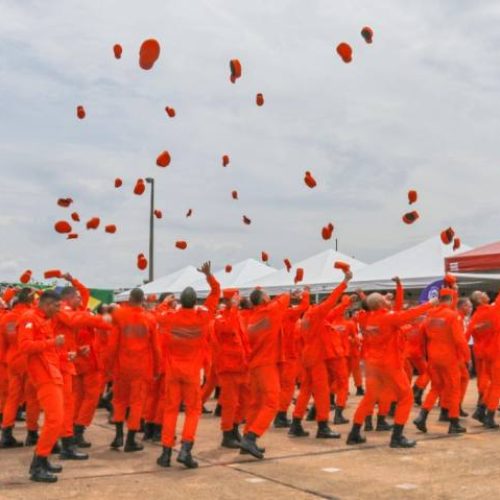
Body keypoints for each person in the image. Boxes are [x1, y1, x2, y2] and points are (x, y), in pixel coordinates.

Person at [346, 279, 437, 448]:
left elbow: (376, 305)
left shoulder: (364, 318)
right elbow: (409, 314)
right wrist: (431, 303)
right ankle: (397, 436)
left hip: (372, 364)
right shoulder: (388, 318)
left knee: (369, 398)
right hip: (389, 364)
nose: (389, 300)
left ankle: (354, 433)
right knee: (406, 397)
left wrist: (397, 288)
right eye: (385, 299)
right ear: (381, 303)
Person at [156, 262, 220, 469]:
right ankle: (185, 449)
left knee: (170, 410)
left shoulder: (170, 317)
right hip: (192, 371)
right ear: (194, 303)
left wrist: (165, 302)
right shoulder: (202, 317)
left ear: (180, 302)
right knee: (193, 410)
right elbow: (216, 293)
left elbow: (157, 314)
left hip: (173, 370)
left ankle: (166, 452)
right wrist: (209, 276)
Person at [288, 268, 352, 441]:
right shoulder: (316, 314)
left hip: (309, 356)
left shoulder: (310, 316)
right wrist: (344, 282)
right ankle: (322, 425)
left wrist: (344, 303)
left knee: (305, 391)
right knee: (322, 391)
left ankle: (295, 423)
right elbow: (330, 303)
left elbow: (331, 310)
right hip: (316, 358)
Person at [18, 290, 65, 483]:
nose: (59, 309)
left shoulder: (44, 319)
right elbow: (25, 346)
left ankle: (42, 459)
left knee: (57, 419)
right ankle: (38, 465)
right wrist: (52, 342)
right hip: (43, 375)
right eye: (57, 306)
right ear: (47, 304)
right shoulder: (29, 318)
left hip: (52, 374)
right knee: (55, 419)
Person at [106, 288, 161, 452]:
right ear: (142, 300)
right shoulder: (150, 319)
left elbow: (112, 344)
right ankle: (130, 440)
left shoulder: (119, 315)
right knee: (137, 403)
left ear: (129, 298)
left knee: (119, 401)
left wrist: (108, 366)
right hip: (141, 367)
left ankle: (118, 436)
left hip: (122, 366)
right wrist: (157, 368)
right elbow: (156, 348)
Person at [413, 288, 470, 434]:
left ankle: (422, 416)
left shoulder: (430, 314)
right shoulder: (452, 316)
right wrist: (467, 357)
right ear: (451, 300)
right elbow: (460, 340)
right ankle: (454, 423)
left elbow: (421, 334)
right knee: (454, 388)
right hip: (449, 358)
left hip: (433, 358)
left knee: (436, 388)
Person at [212, 289, 250, 448]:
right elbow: (226, 329)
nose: (238, 299)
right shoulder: (221, 317)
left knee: (244, 401)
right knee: (230, 403)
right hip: (229, 367)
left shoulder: (237, 316)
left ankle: (235, 429)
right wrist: (234, 308)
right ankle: (227, 434)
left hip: (241, 365)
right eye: (235, 297)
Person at [274, 288, 310, 428]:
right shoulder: (288, 314)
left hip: (280, 355)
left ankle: (280, 414)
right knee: (288, 387)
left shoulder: (273, 314)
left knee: (283, 387)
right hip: (289, 356)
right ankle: (280, 415)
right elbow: (304, 306)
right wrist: (305, 293)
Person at [467, 290, 500, 427]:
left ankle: (481, 410)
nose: (486, 294)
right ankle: (490, 416)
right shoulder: (493, 310)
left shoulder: (474, 317)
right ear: (480, 300)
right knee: (496, 385)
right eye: (483, 293)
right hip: (496, 351)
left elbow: (469, 334)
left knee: (491, 383)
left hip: (483, 354)